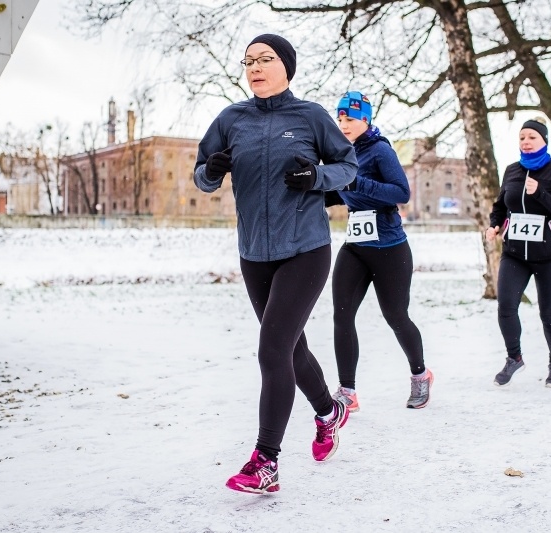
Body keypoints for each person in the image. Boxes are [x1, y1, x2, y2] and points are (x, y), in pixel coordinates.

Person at [193, 34, 359, 494]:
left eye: (265, 59)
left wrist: (316, 178)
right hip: (254, 254)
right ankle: (329, 412)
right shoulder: (231, 119)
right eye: (248, 61)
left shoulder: (309, 116)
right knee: (290, 349)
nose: (255, 67)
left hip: (305, 249)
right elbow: (202, 175)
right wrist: (213, 169)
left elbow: (348, 166)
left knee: (271, 350)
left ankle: (265, 462)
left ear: (286, 66)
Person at [323, 91, 432, 411]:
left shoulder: (380, 150)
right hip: (356, 244)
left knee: (396, 316)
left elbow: (401, 192)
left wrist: (358, 184)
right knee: (341, 316)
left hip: (389, 247)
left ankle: (420, 375)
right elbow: (340, 195)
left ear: (366, 120)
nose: (343, 124)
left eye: (350, 119)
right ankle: (348, 391)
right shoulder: (340, 153)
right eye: (340, 118)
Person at [485, 118, 551, 388]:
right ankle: (514, 357)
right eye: (522, 137)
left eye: (532, 137)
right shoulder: (512, 171)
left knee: (548, 312)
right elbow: (501, 205)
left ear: (544, 141)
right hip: (515, 252)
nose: (526, 142)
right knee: (505, 307)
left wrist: (541, 194)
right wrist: (494, 225)